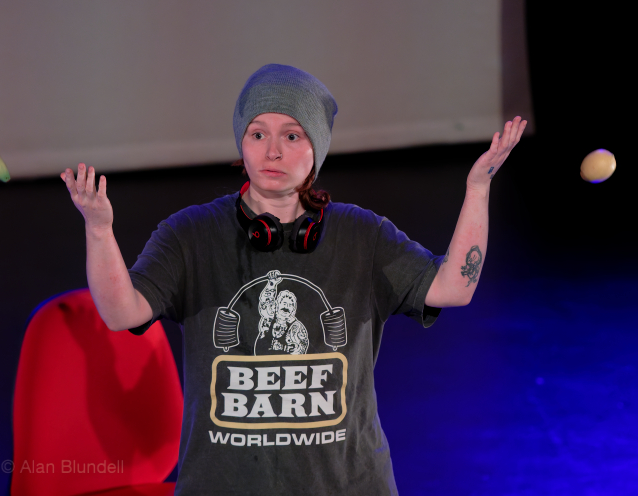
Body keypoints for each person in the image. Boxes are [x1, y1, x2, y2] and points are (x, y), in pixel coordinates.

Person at [62, 63, 526, 495]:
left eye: (292, 134)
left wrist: (478, 188)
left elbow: (453, 287)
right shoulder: (191, 234)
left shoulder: (362, 234)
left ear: (317, 146)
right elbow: (121, 313)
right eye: (257, 133)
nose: (273, 151)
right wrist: (99, 231)